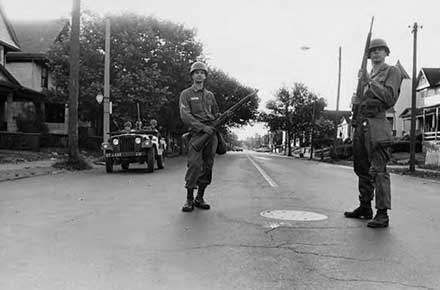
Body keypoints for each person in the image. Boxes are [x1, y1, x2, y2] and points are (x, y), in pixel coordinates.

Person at [345, 38, 402, 228]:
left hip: (377, 124)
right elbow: (362, 100)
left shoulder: (392, 71)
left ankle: (382, 214)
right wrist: (356, 99)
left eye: (380, 50)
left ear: (386, 53)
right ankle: (365, 207)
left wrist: (369, 82)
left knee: (378, 170)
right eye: (373, 50)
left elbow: (389, 97)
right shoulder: (367, 74)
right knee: (361, 168)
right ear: (368, 55)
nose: (376, 53)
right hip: (361, 125)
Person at [179, 61, 219, 212]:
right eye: (196, 72)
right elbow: (185, 115)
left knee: (208, 166)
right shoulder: (186, 94)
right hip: (197, 134)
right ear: (192, 75)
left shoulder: (210, 96)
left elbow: (216, 113)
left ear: (205, 76)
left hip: (211, 135)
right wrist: (202, 127)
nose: (199, 75)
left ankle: (199, 197)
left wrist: (219, 121)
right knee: (194, 165)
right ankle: (189, 198)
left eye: (202, 72)